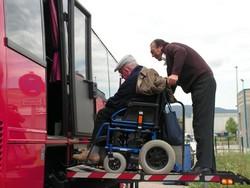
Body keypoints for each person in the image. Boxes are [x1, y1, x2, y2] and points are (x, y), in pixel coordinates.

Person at [150, 39, 216, 174]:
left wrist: (175, 74)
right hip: (202, 84)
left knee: (201, 124)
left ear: (160, 47)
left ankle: (203, 166)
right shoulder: (170, 60)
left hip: (203, 83)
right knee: (202, 125)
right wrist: (163, 100)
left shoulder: (171, 48)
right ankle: (209, 166)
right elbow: (171, 85)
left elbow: (181, 52)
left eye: (152, 51)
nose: (152, 55)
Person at [73, 54, 155, 162]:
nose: (122, 77)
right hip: (143, 112)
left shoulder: (133, 79)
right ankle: (100, 152)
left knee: (103, 114)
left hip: (135, 114)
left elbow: (117, 100)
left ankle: (93, 152)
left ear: (126, 70)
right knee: (108, 114)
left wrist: (107, 103)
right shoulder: (142, 75)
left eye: (121, 73)